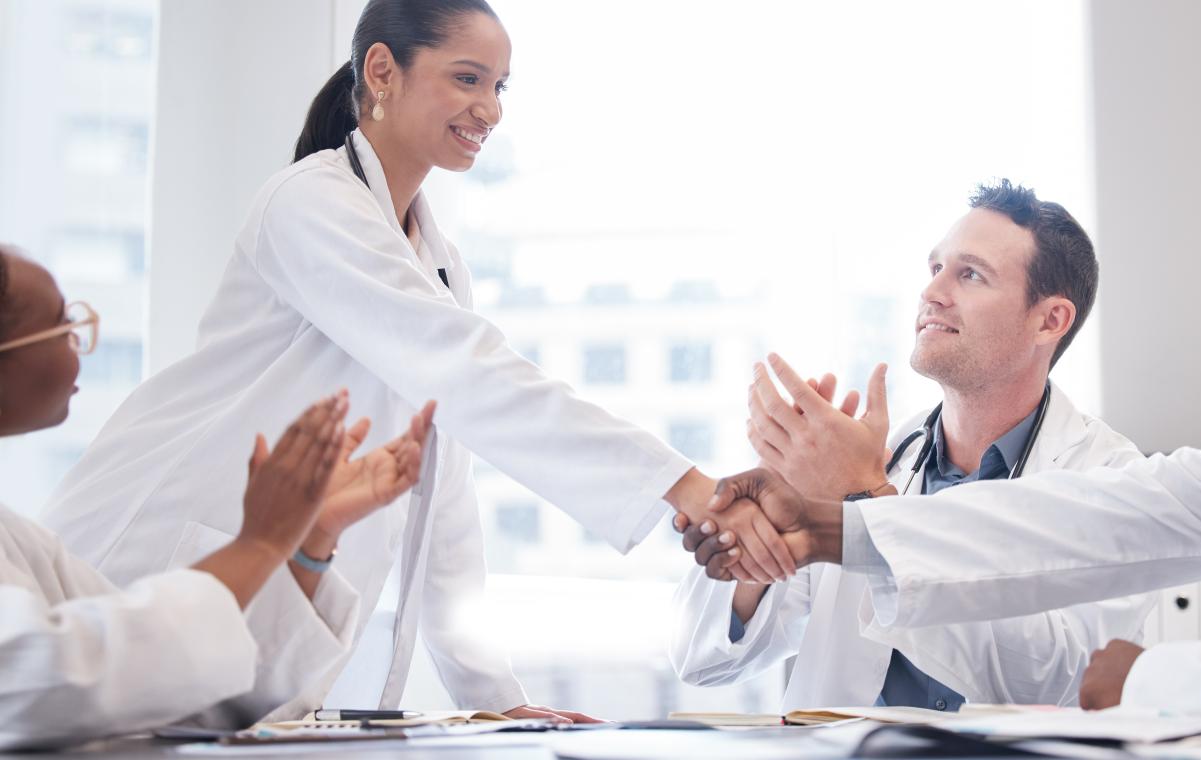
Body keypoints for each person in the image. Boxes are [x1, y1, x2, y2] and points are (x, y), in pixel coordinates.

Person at [42, 0, 791, 725]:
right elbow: (467, 371)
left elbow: (444, 499)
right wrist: (680, 485)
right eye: (467, 79)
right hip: (144, 559)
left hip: (255, 615)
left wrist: (492, 697)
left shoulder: (438, 263)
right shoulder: (310, 205)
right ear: (381, 69)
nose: (490, 110)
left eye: (499, 87)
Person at [696, 107, 1201, 719]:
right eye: (937, 266)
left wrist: (1148, 682)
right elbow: (1073, 525)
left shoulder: (1101, 455)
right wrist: (822, 518)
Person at [670, 182, 1154, 711]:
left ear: (1050, 320)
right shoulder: (881, 456)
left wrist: (865, 499)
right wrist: (762, 526)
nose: (933, 292)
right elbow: (704, 659)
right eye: (935, 269)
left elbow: (1063, 679)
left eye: (970, 274)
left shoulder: (1111, 479)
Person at [0, 247, 434, 749]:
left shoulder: (17, 539)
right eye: (61, 326)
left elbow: (175, 686)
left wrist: (307, 543)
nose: (78, 345)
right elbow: (34, 685)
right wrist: (257, 545)